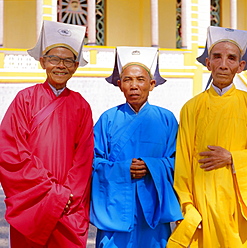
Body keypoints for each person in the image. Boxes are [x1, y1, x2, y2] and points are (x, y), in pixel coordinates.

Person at [167, 26, 247, 247]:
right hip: (203, 205)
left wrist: (234, 159)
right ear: (208, 63)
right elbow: (182, 163)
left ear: (241, 66)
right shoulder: (192, 108)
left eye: (231, 58)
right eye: (217, 57)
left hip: (241, 208)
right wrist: (187, 205)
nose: (223, 64)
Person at [0, 20, 94, 247]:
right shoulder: (25, 99)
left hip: (69, 205)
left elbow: (84, 158)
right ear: (43, 62)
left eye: (68, 60)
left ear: (76, 65)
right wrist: (51, 191)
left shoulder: (81, 106)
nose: (60, 66)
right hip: (33, 202)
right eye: (54, 59)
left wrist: (67, 194)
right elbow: (11, 151)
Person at [90, 46, 183, 248]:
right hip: (115, 209)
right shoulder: (107, 119)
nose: (134, 86)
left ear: (151, 84)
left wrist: (151, 166)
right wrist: (123, 169)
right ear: (119, 84)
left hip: (154, 209)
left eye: (140, 80)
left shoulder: (166, 119)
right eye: (127, 80)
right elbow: (91, 161)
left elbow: (180, 161)